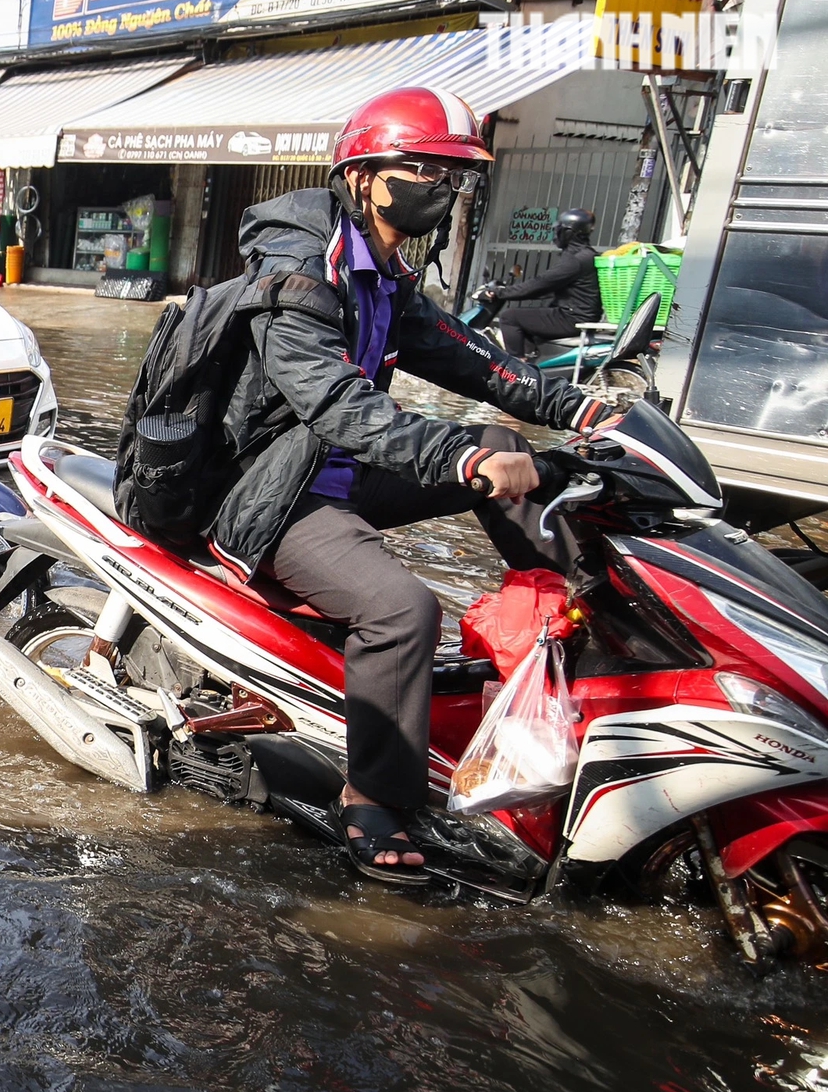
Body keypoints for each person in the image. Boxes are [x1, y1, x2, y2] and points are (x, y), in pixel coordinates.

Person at [191, 87, 615, 884]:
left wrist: (584, 407)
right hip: (278, 492)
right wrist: (458, 460)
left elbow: (477, 362)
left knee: (501, 443)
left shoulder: (384, 273)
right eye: (421, 169)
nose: (439, 188)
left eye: (451, 174)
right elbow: (334, 402)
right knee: (403, 607)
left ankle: (576, 622)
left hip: (340, 470)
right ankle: (374, 797)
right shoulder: (298, 275)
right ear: (362, 176)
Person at [480, 208, 603, 357]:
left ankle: (515, 370)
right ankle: (531, 362)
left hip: (572, 318)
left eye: (559, 230)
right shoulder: (584, 255)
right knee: (530, 318)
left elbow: (541, 284)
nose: (556, 235)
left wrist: (499, 292)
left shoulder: (576, 260)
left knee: (509, 317)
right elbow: (547, 287)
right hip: (576, 315)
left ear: (569, 233)